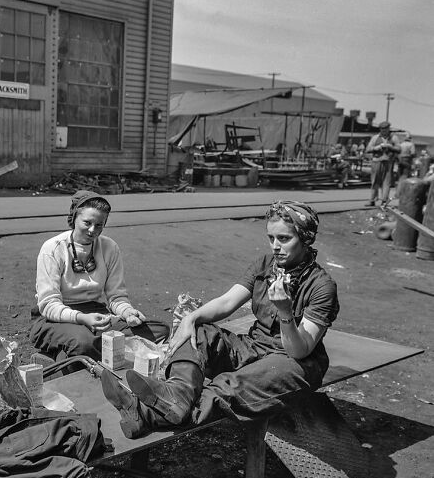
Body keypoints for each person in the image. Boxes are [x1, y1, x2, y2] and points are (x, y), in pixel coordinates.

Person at [100, 200, 339, 439]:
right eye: (271, 238)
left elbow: (300, 350)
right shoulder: (266, 265)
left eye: (284, 239)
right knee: (200, 333)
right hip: (254, 347)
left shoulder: (321, 286)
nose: (275, 246)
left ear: (305, 239)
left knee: (230, 384)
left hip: (293, 363)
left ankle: (146, 414)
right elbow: (226, 303)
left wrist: (285, 313)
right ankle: (177, 394)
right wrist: (191, 319)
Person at [30, 190, 168, 363]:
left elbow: (116, 296)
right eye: (87, 222)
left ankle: (76, 354)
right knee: (84, 343)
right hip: (54, 318)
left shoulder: (110, 247)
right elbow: (49, 304)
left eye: (99, 225)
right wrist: (81, 318)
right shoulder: (52, 248)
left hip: (96, 314)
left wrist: (127, 312)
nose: (92, 230)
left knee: (159, 331)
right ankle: (70, 355)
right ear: (74, 218)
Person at [365, 121, 400, 207]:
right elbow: (368, 149)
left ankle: (384, 201)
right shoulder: (375, 138)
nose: (384, 130)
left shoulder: (394, 138)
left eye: (385, 128)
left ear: (388, 129)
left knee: (386, 182)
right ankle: (372, 200)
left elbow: (399, 149)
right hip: (376, 161)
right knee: (375, 181)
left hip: (388, 162)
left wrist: (390, 146)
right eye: (382, 128)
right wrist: (376, 148)